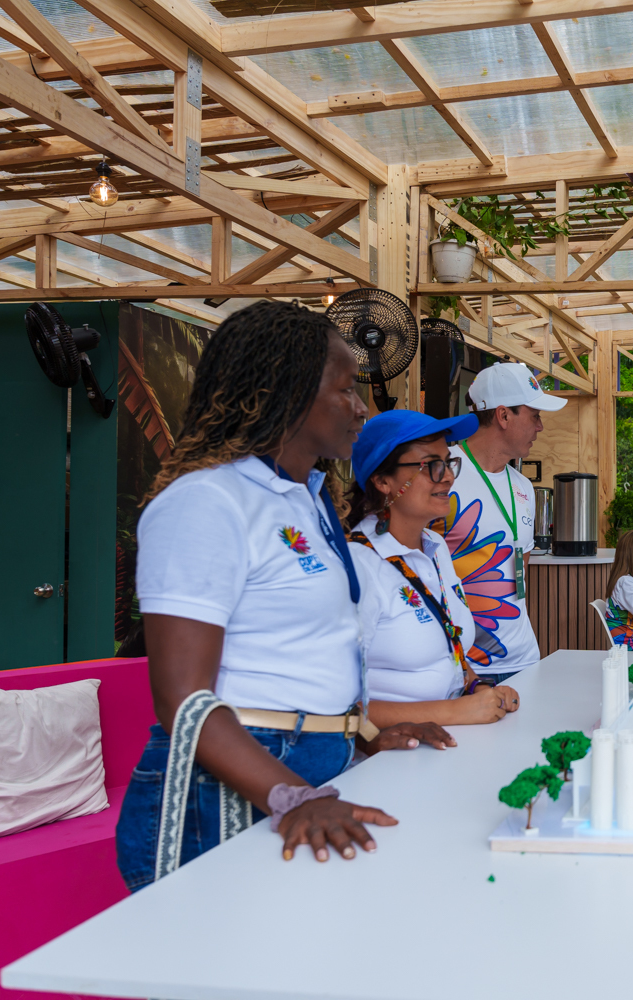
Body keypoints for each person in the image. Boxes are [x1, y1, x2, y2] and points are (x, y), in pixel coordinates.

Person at [118, 302, 451, 890]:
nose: (362, 408)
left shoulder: (307, 499)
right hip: (223, 796)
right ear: (288, 389)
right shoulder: (206, 502)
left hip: (308, 776)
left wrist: (365, 734)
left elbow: (307, 649)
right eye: (347, 388)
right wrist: (291, 797)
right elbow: (183, 701)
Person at [346, 409, 520, 726]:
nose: (449, 476)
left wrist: (478, 688)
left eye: (449, 462)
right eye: (431, 466)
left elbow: (447, 647)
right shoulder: (358, 565)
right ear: (382, 480)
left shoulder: (436, 547)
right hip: (387, 764)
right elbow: (336, 705)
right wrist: (452, 712)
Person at [438, 362, 563, 686]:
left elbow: (520, 567)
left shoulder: (522, 486)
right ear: (504, 415)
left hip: (523, 658)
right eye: (534, 415)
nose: (541, 428)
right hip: (463, 668)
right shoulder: (443, 472)